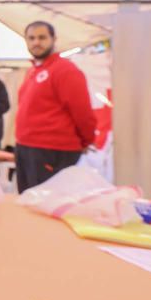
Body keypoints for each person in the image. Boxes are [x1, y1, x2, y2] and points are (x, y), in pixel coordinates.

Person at [14, 21, 97, 192]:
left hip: (52, 150)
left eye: (42, 37)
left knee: (46, 205)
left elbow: (82, 111)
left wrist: (86, 140)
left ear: (54, 39)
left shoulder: (65, 70)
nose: (36, 42)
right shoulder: (32, 71)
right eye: (31, 38)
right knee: (28, 203)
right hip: (26, 148)